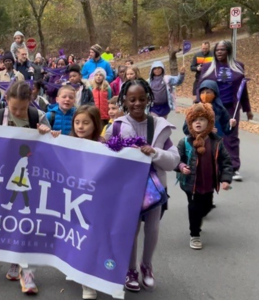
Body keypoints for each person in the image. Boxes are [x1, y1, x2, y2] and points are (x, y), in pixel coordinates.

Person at [0, 81, 56, 295]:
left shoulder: (37, 117)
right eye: (15, 109)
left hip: (32, 179)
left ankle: (28, 272)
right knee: (10, 222)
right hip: (4, 178)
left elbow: (51, 149)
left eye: (23, 108)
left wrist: (46, 133)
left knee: (29, 224)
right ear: (6, 102)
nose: (19, 112)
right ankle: (14, 261)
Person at [105, 79, 180, 292]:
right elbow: (107, 156)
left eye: (141, 99)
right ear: (124, 101)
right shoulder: (117, 127)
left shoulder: (158, 126)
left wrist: (154, 152)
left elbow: (174, 159)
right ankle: (131, 270)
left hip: (154, 187)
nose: (137, 103)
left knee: (152, 227)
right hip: (127, 189)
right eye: (132, 99)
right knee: (131, 228)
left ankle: (147, 265)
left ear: (148, 99)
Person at [176, 103, 233, 250]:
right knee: (194, 208)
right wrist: (181, 167)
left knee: (206, 206)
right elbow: (176, 159)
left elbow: (225, 161)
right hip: (191, 184)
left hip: (208, 184)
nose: (198, 122)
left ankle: (199, 217)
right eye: (194, 120)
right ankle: (195, 234)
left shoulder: (216, 142)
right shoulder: (185, 142)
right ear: (190, 123)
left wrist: (225, 179)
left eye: (202, 119)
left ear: (209, 122)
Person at [199, 40, 253, 181]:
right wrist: (198, 105)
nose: (219, 52)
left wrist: (247, 109)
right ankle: (213, 165)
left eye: (222, 49)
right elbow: (200, 87)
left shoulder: (238, 67)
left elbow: (242, 90)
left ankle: (233, 168)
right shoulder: (207, 67)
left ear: (228, 51)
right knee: (213, 136)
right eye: (217, 50)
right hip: (212, 107)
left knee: (232, 137)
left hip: (230, 108)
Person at [69, 104, 104, 300]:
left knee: (90, 240)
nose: (80, 126)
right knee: (75, 239)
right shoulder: (66, 142)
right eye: (77, 122)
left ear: (95, 124)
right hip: (72, 202)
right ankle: (76, 270)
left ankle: (88, 283)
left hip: (93, 204)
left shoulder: (103, 145)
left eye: (86, 123)